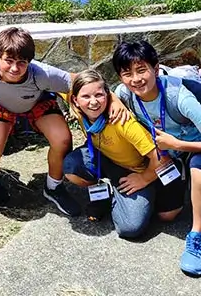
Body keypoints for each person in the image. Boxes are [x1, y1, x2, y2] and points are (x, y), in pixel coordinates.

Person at [0, 27, 129, 222]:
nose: (14, 68)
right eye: (9, 60)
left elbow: (80, 80)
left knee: (63, 138)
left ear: (30, 61)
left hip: (36, 103)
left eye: (21, 62)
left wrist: (114, 98)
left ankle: (54, 187)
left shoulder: (42, 73)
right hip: (1, 106)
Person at [113, 40, 201, 277]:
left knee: (198, 168)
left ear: (156, 67)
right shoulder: (124, 94)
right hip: (166, 157)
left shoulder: (178, 96)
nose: (136, 79)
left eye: (142, 70)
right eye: (127, 73)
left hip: (193, 147)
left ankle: (196, 236)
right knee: (167, 216)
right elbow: (105, 96)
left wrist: (178, 144)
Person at [63, 69, 180, 238]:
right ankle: (104, 194)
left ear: (107, 95)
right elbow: (56, 75)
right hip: (106, 158)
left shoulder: (122, 121)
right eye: (86, 97)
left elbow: (160, 158)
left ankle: (135, 192)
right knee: (71, 167)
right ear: (75, 99)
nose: (93, 102)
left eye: (99, 95)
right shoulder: (79, 107)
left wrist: (144, 179)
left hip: (138, 169)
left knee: (130, 228)